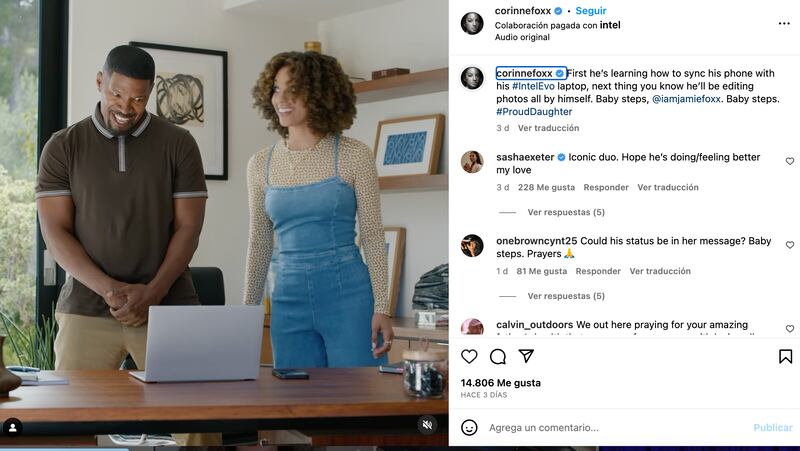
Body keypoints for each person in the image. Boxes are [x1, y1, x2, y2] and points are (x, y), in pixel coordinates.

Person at [36, 45, 213, 446]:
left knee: (200, 425)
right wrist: (110, 290)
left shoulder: (179, 143)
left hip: (168, 304)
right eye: (117, 94)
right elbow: (56, 233)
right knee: (68, 427)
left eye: (138, 98)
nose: (126, 107)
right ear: (100, 82)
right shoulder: (63, 146)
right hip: (87, 306)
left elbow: (188, 229)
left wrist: (153, 292)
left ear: (150, 93)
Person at [245, 51, 394, 368]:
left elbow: (371, 234)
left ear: (320, 94)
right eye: (276, 89)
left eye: (293, 89)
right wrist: (247, 310)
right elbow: (259, 242)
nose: (281, 99)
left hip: (349, 298)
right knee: (295, 395)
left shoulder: (354, 155)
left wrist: (382, 306)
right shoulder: (260, 164)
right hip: (287, 301)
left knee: (360, 395)